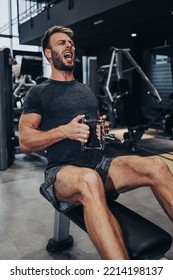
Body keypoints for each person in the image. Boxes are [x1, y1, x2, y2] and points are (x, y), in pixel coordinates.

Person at [19, 25, 173, 260]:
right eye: (61, 43)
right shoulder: (39, 93)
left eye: (70, 43)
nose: (69, 45)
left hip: (97, 166)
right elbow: (26, 141)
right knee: (89, 180)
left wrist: (101, 129)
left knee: (157, 166)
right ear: (48, 54)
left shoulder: (86, 91)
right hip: (61, 173)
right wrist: (65, 131)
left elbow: (96, 127)